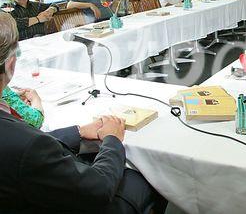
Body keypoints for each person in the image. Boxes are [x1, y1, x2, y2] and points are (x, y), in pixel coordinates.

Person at [0, 12, 167, 213]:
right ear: (10, 64)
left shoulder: (19, 136)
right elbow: (99, 189)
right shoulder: (26, 142)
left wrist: (77, 131)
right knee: (152, 175)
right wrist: (112, 140)